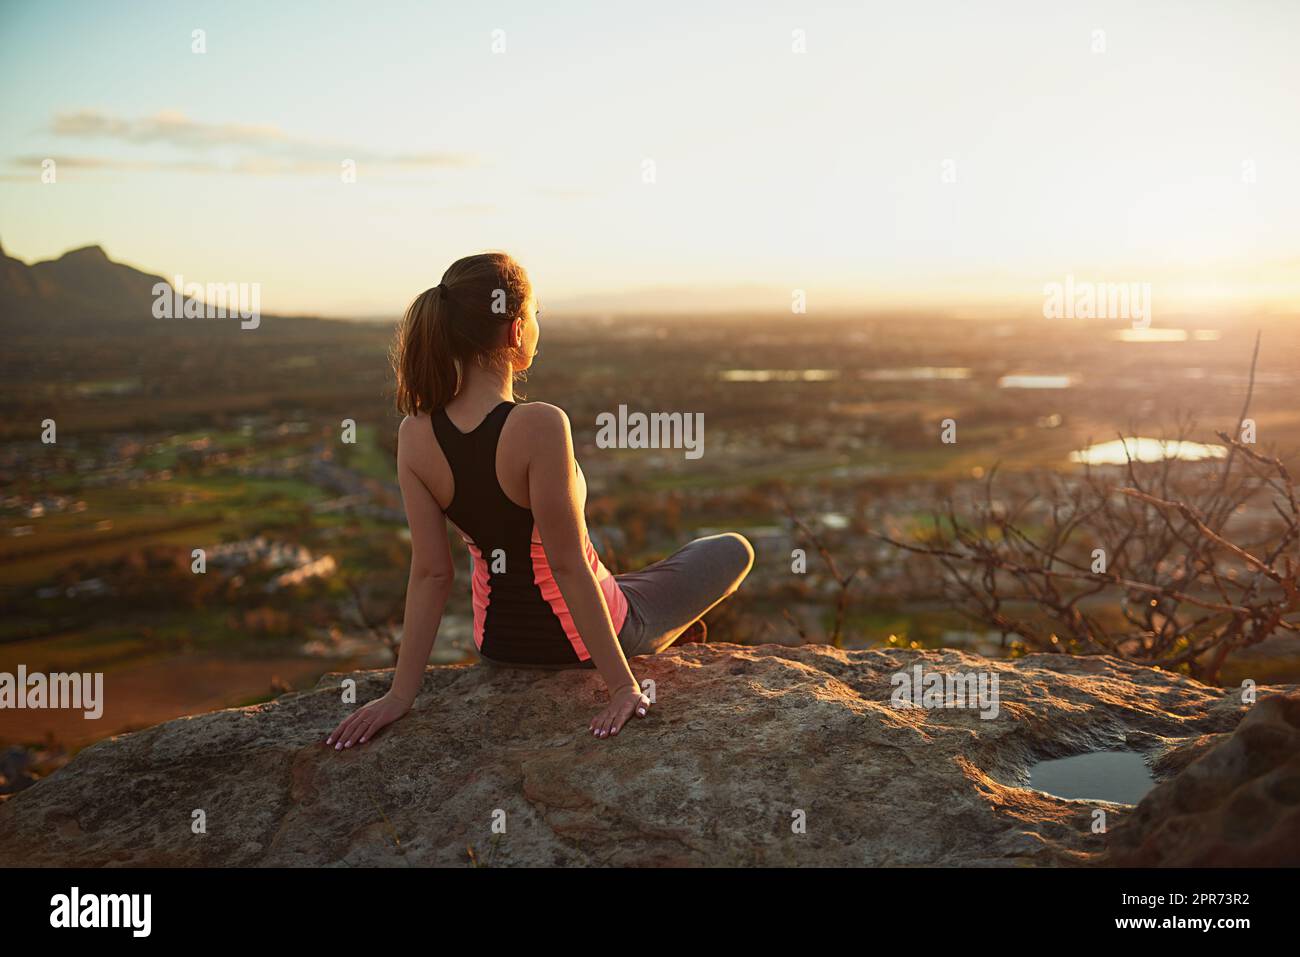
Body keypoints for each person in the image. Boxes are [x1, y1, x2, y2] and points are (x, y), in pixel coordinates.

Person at [327, 252, 753, 748]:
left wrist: (401, 696)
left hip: (498, 646)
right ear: (513, 332)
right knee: (730, 550)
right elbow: (567, 565)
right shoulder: (541, 424)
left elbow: (430, 573)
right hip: (585, 642)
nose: (537, 325)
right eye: (535, 314)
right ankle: (653, 638)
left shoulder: (415, 434)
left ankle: (662, 622)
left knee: (632, 579)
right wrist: (620, 685)